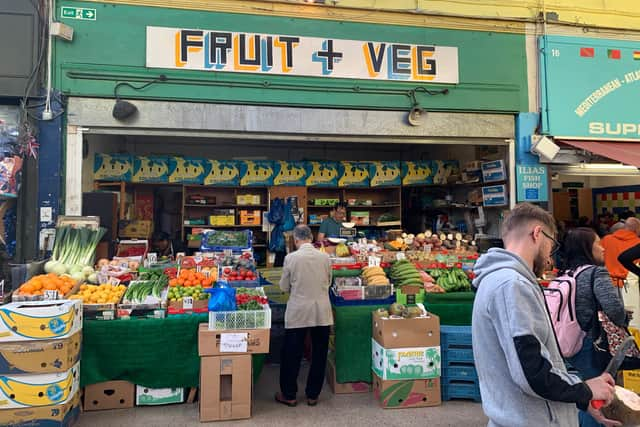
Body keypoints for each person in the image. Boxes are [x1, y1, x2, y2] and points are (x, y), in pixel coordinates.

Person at [472, 203, 618, 427]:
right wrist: (585, 388)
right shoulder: (512, 285)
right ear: (538, 233)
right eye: (551, 244)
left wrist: (581, 398)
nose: (550, 256)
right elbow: (532, 372)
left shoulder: (497, 281)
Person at [561, 228, 629, 427]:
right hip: (593, 343)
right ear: (587, 248)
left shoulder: (567, 273)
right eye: (598, 244)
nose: (603, 248)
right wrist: (625, 317)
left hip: (569, 341)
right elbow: (615, 309)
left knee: (583, 392)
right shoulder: (596, 273)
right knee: (597, 396)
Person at [276, 224, 333, 407]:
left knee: (292, 353)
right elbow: (329, 282)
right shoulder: (325, 257)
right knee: (319, 353)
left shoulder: (291, 258)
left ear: (295, 239)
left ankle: (289, 395)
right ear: (311, 237)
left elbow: (284, 287)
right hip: (321, 311)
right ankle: (313, 395)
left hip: (298, 311)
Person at [601, 217, 640, 293]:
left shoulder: (606, 240)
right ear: (637, 229)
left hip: (607, 282)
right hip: (630, 287)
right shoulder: (638, 244)